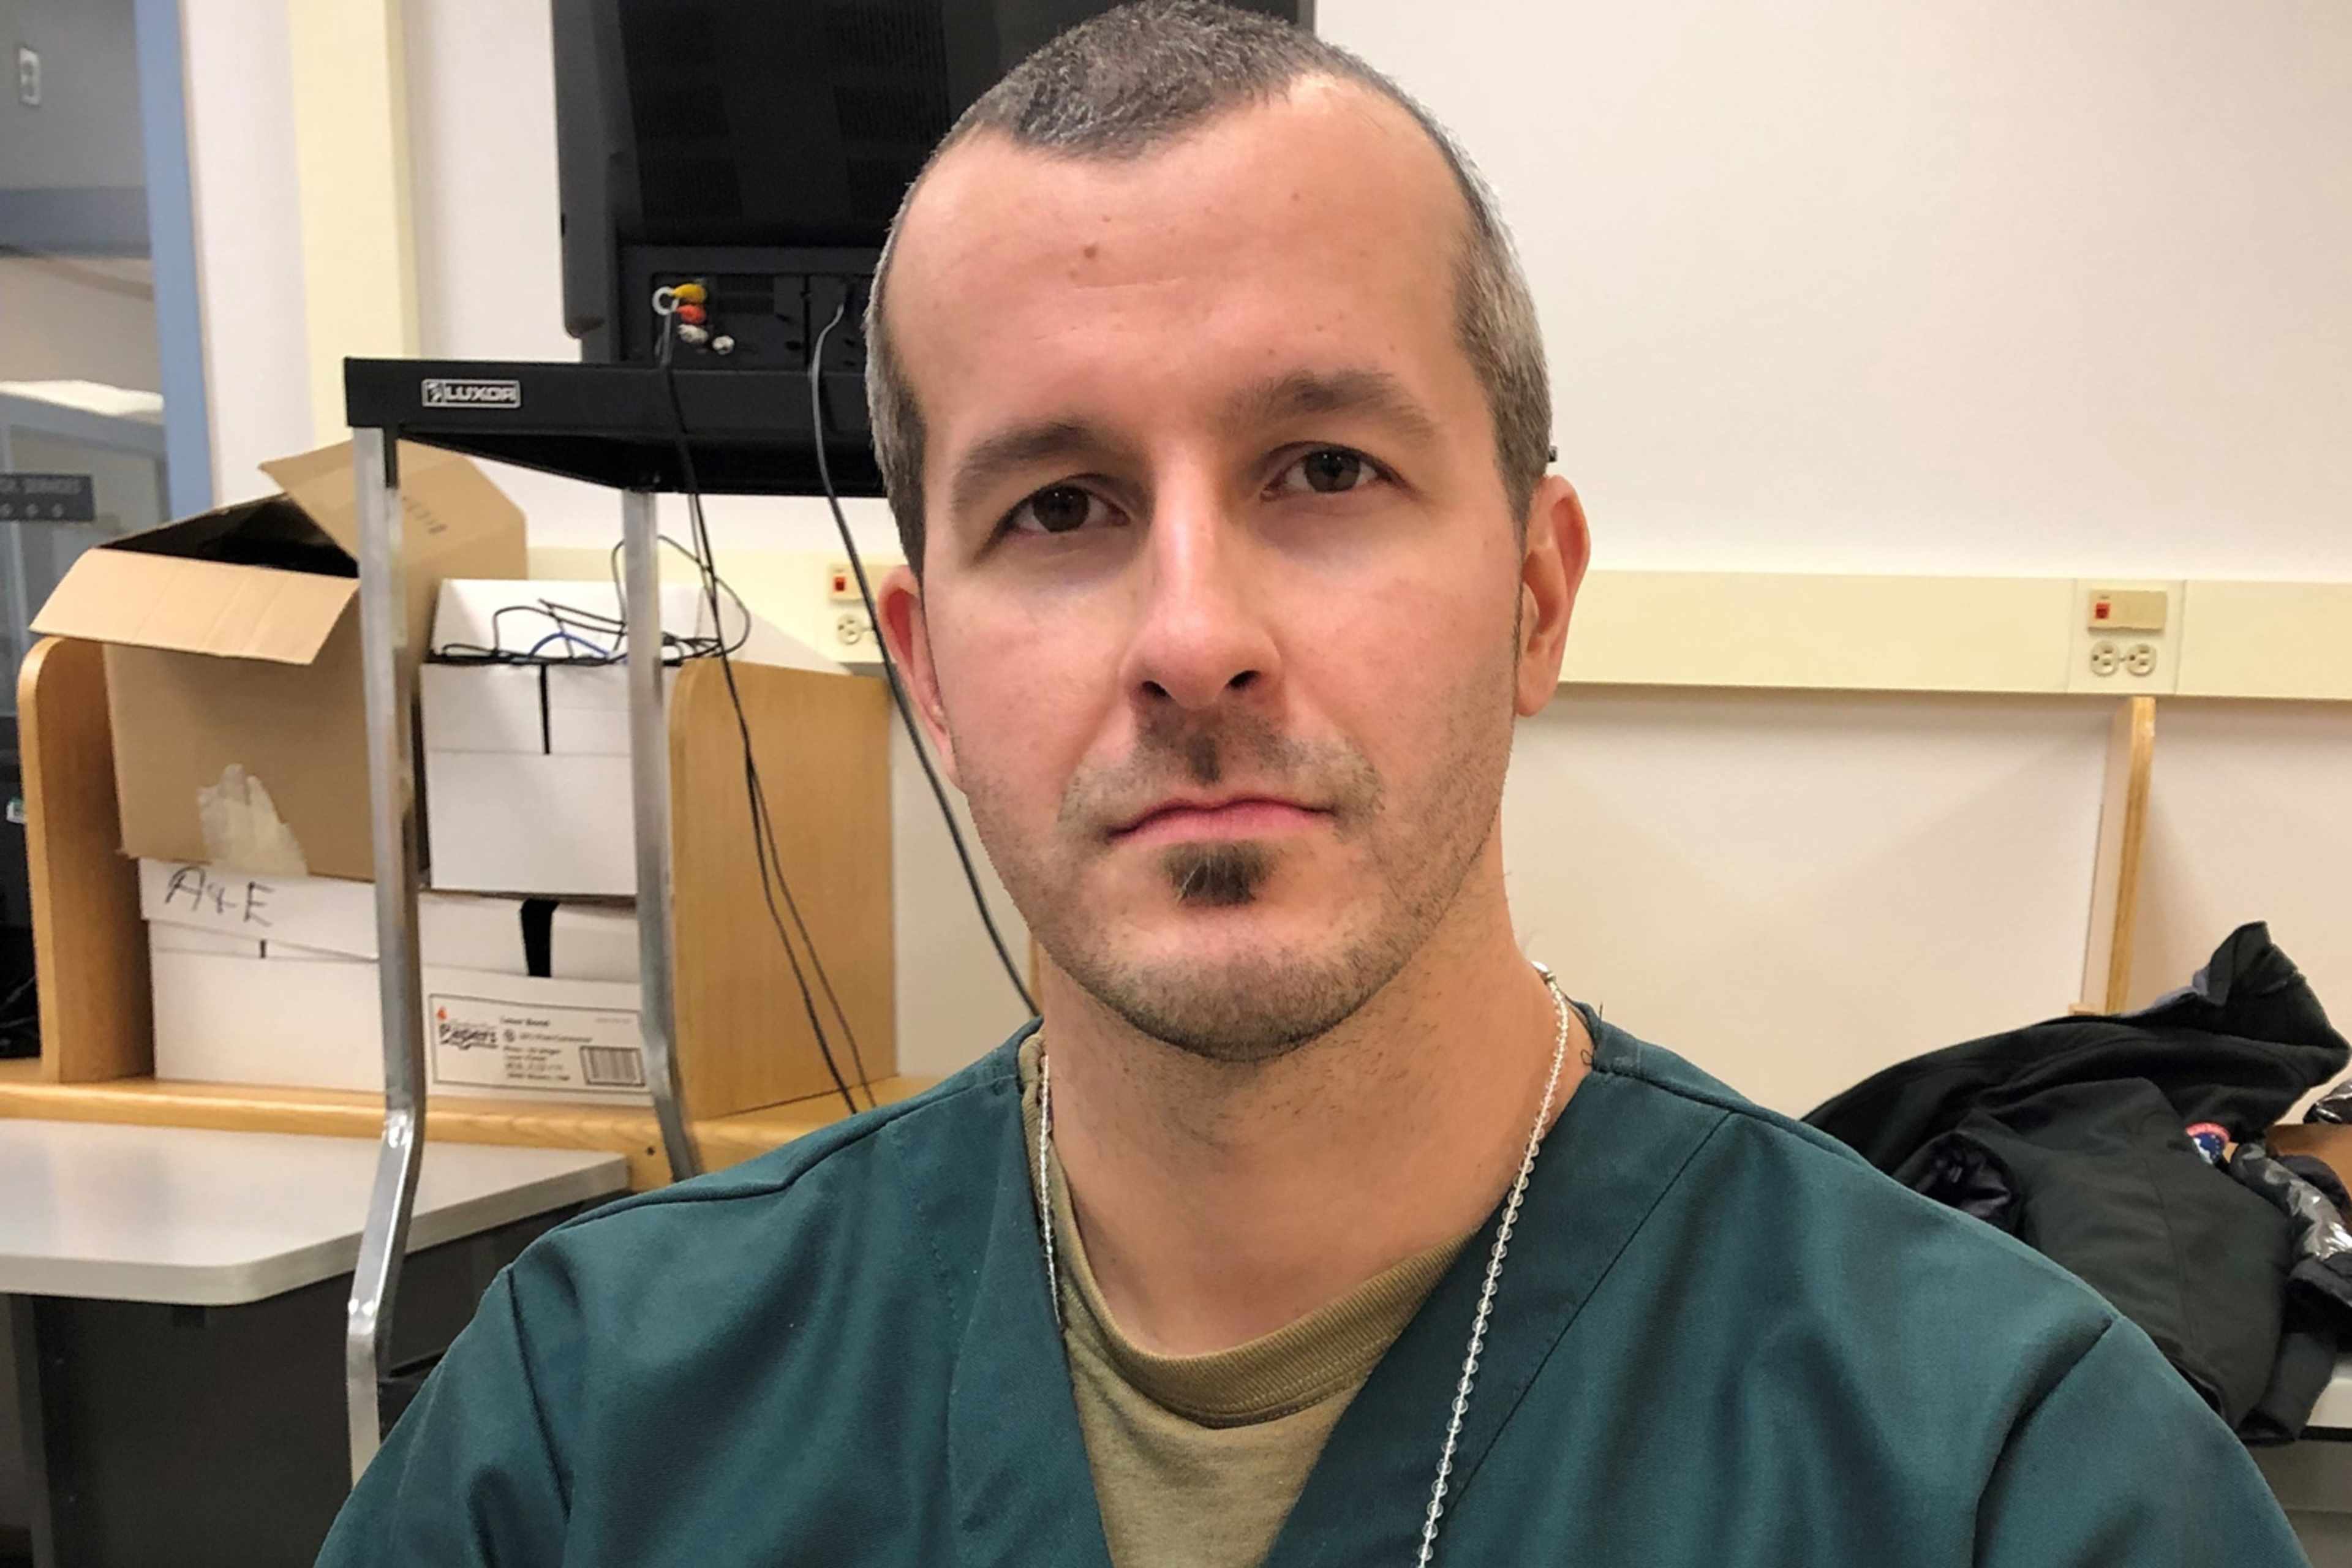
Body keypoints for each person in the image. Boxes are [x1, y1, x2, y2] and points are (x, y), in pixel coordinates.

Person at [318, 4, 2310, 1564]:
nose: (1196, 633)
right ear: (924, 672)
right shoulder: (588, 1434)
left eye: (1324, 471)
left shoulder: (2005, 1477)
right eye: (1064, 504)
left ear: (1534, 596)